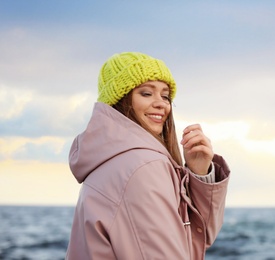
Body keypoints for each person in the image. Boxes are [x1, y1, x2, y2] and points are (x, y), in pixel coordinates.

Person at [66, 52, 230, 259]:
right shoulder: (143, 166)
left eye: (165, 96)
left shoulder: (114, 159)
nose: (161, 104)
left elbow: (195, 239)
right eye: (146, 93)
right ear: (120, 100)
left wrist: (199, 175)